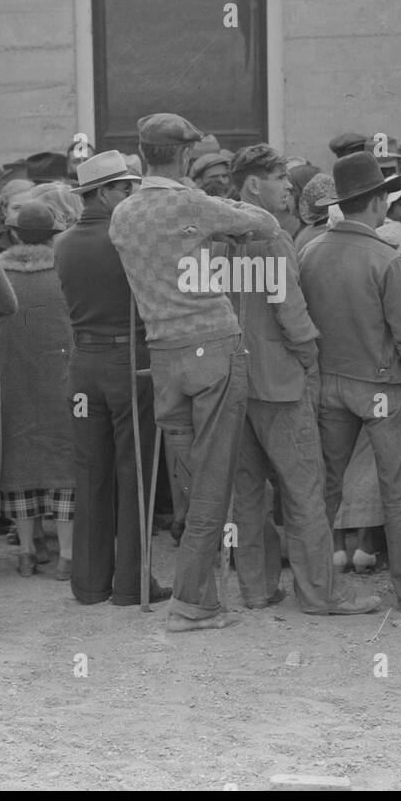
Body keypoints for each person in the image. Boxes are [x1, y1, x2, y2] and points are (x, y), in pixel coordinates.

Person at [109, 112, 281, 633]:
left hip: (164, 353)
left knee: (191, 477)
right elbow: (266, 224)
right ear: (184, 157)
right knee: (213, 479)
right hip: (211, 342)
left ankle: (198, 593)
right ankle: (191, 602)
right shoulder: (190, 203)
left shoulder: (122, 214)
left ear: (141, 155)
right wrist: (219, 218)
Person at [226, 144, 381, 616]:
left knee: (248, 492)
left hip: (232, 377)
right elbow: (290, 311)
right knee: (305, 490)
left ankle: (256, 588)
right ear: (255, 183)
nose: (289, 189)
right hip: (279, 381)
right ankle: (319, 593)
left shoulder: (216, 232)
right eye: (279, 179)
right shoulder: (272, 237)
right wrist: (309, 356)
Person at [299, 151, 401, 613]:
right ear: (378, 202)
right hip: (382, 386)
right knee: (398, 488)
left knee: (323, 486)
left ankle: (315, 586)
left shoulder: (310, 252)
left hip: (329, 381)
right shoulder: (385, 259)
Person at [54, 150, 170, 606]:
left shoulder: (62, 243)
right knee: (134, 472)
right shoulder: (126, 239)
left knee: (90, 472)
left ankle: (89, 584)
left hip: (83, 363)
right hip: (128, 360)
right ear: (102, 193)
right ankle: (132, 585)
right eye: (124, 187)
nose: (132, 193)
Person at [0, 201, 76, 578]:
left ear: (13, 234)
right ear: (54, 234)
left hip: (11, 378)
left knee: (19, 458)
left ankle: (27, 552)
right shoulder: (64, 271)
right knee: (62, 457)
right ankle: (68, 556)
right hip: (58, 377)